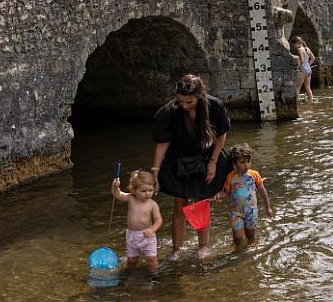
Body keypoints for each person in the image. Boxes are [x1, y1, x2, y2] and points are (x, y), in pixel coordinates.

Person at [151, 74, 231, 261]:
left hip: (206, 158)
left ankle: (203, 246)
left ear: (200, 96)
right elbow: (163, 142)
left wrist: (213, 162)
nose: (184, 105)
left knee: (200, 204)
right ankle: (176, 249)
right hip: (179, 160)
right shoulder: (171, 110)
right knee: (179, 207)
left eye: (189, 101)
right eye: (181, 101)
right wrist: (155, 171)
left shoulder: (214, 106)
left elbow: (222, 135)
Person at [218, 143, 273, 250]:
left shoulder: (254, 175)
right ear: (234, 163)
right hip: (236, 212)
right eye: (242, 162)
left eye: (248, 161)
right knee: (238, 237)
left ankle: (250, 252)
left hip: (251, 211)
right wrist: (217, 195)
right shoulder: (230, 177)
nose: (246, 165)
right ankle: (237, 251)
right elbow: (227, 193)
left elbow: (262, 191)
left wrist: (268, 208)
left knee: (250, 235)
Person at [111, 170, 163, 273]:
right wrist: (115, 187)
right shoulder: (131, 198)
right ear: (134, 190)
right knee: (132, 260)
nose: (148, 193)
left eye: (150, 190)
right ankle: (131, 274)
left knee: (151, 260)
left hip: (147, 236)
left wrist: (152, 229)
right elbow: (118, 195)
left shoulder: (152, 204)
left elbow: (158, 219)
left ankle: (154, 275)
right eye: (144, 191)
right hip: (132, 235)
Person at [290, 36, 315, 102]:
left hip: (303, 70)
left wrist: (297, 67)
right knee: (308, 87)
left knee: (297, 87)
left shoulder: (299, 49)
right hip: (309, 70)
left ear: (297, 43)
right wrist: (308, 65)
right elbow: (313, 58)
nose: (294, 47)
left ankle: (297, 103)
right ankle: (311, 101)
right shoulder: (307, 48)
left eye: (294, 45)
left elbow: (302, 60)